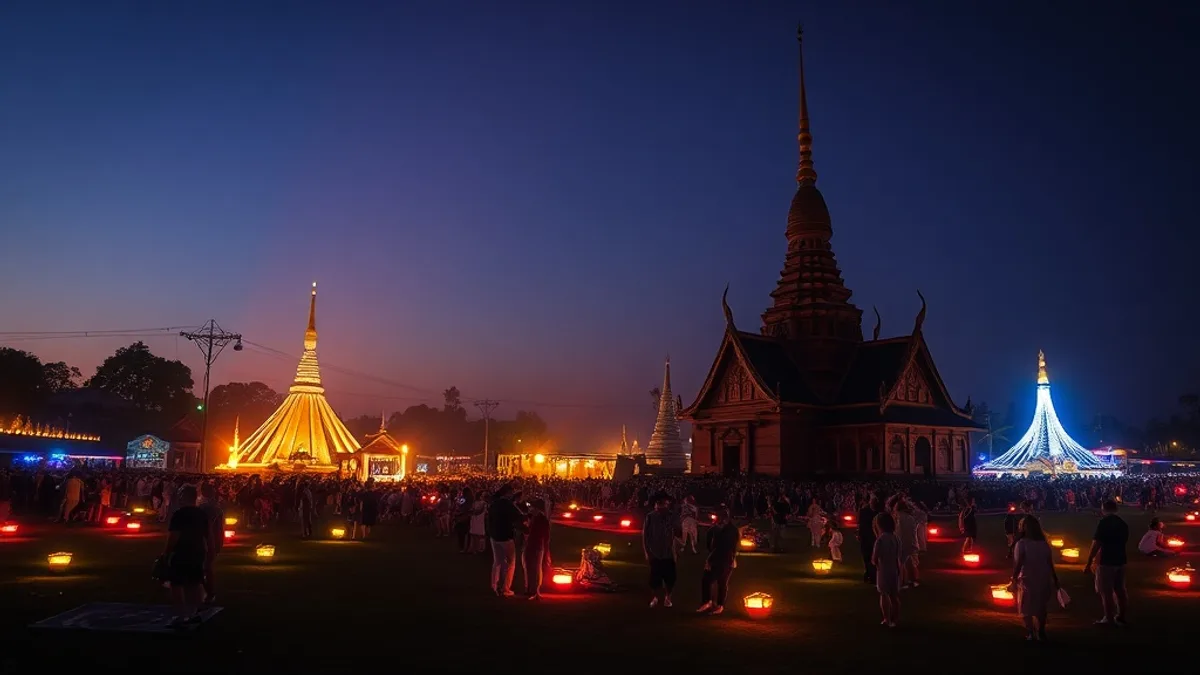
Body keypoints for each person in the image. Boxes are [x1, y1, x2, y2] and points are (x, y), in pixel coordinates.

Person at [164, 485, 209, 628]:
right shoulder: (201, 514)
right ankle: (195, 613)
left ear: (184, 496)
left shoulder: (179, 514)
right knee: (194, 583)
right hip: (198, 551)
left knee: (176, 584)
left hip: (182, 552)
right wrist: (208, 552)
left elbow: (174, 536)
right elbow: (207, 535)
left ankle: (181, 615)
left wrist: (166, 553)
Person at [1012, 515, 1059, 641]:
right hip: (1043, 577)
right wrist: (1055, 579)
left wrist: (1013, 578)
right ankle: (1041, 631)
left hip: (1027, 578)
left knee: (1026, 606)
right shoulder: (1044, 544)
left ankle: (1030, 632)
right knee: (1041, 606)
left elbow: (1019, 562)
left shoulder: (1022, 544)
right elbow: (1049, 563)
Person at [1084, 500, 1129, 626]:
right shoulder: (1122, 523)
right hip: (1121, 560)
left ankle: (1108, 618)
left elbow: (1096, 544)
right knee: (1120, 590)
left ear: (1103, 509)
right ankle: (1121, 616)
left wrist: (1089, 562)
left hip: (1106, 561)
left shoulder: (1104, 523)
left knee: (1106, 591)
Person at [697, 506, 739, 615]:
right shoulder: (717, 528)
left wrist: (710, 559)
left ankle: (719, 605)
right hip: (717, 558)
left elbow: (727, 546)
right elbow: (710, 543)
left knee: (721, 582)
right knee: (707, 580)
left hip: (724, 559)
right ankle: (708, 602)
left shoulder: (730, 530)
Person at [643, 492, 679, 608]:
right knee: (655, 577)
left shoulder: (672, 516)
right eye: (659, 503)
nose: (662, 505)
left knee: (670, 577)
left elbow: (678, 532)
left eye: (664, 503)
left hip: (669, 552)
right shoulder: (650, 516)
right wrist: (647, 552)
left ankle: (668, 597)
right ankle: (655, 598)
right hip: (655, 552)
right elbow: (645, 535)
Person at [488, 484, 525, 597]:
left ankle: (494, 586)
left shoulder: (494, 503)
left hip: (494, 536)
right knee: (511, 563)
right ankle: (505, 589)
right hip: (505, 536)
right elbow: (519, 517)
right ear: (508, 493)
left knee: (497, 562)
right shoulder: (508, 504)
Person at [871, 512, 901, 627]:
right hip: (894, 569)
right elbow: (898, 554)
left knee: (884, 594)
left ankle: (886, 619)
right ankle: (895, 619)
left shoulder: (880, 540)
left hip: (883, 570)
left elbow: (875, 558)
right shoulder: (895, 538)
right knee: (894, 595)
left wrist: (875, 562)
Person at [196, 482, 224, 606]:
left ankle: (208, 592)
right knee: (206, 567)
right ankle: (206, 592)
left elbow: (210, 526)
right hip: (213, 539)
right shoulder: (215, 506)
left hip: (207, 540)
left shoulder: (206, 507)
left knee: (205, 567)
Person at [522, 498, 553, 599]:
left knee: (536, 568)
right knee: (528, 567)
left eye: (532, 507)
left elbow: (546, 536)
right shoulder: (533, 517)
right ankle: (529, 588)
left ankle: (535, 590)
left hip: (537, 546)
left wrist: (546, 549)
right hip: (530, 545)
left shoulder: (542, 519)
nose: (530, 508)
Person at [858, 496, 880, 584]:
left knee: (870, 556)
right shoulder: (865, 512)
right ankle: (869, 573)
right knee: (868, 556)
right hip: (868, 537)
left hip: (871, 537)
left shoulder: (876, 512)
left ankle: (871, 574)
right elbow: (861, 524)